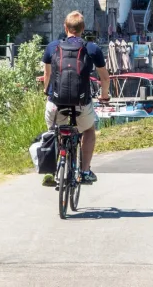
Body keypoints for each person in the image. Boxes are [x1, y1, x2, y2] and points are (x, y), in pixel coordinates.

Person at [42, 11, 110, 185]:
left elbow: (47, 75)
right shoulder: (92, 48)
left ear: (65, 28)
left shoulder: (52, 47)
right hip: (81, 103)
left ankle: (52, 169)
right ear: (83, 29)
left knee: (54, 131)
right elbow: (105, 78)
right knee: (88, 131)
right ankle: (85, 170)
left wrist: (46, 92)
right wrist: (104, 96)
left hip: (56, 103)